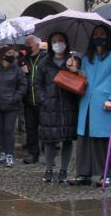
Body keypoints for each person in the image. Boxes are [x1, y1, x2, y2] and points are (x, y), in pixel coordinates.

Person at [68, 25, 111, 187]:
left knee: (103, 141)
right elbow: (84, 77)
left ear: (108, 36)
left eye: (101, 34)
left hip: (105, 104)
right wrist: (76, 71)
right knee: (85, 140)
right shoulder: (88, 56)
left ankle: (105, 174)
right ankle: (83, 174)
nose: (98, 37)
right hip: (87, 103)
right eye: (95, 34)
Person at [33, 32, 80, 183]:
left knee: (67, 139)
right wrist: (42, 99)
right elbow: (37, 83)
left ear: (66, 43)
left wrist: (75, 70)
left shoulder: (73, 61)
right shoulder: (44, 62)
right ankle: (48, 169)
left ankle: (64, 170)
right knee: (49, 140)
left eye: (60, 40)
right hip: (49, 106)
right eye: (54, 41)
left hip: (68, 106)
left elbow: (81, 81)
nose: (58, 43)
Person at [21, 35, 46, 164]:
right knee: (30, 128)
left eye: (29, 43)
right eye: (26, 43)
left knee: (45, 128)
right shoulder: (24, 60)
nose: (27, 46)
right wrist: (22, 73)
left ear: (37, 44)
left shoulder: (45, 58)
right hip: (29, 100)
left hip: (42, 100)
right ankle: (32, 153)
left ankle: (48, 155)